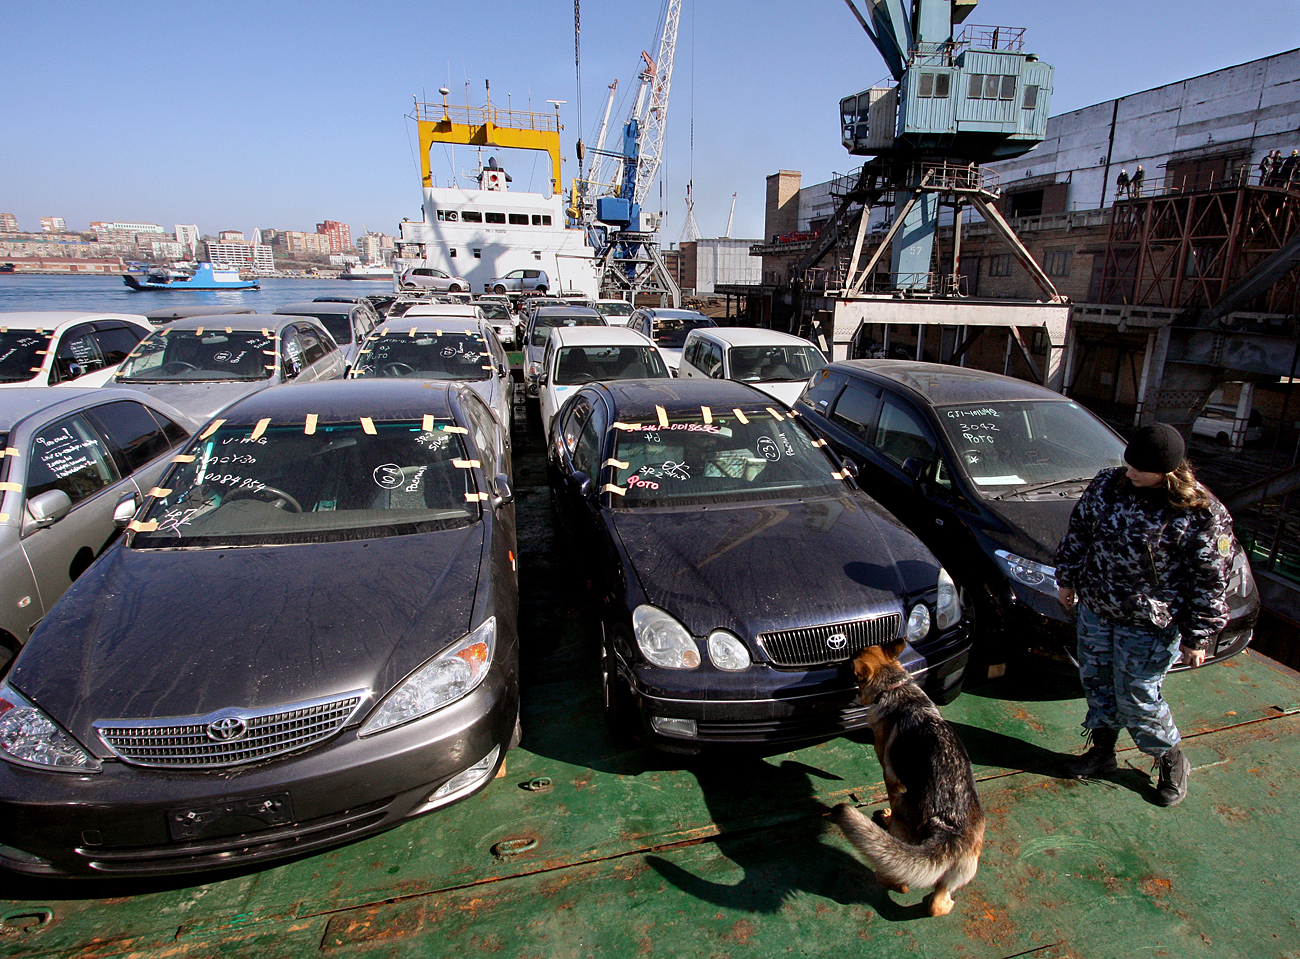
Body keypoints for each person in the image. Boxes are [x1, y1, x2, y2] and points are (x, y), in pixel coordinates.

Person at [1054, 423, 1234, 807]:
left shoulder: (1200, 513)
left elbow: (1210, 578)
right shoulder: (1108, 485)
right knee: (1098, 682)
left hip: (1150, 622)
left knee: (1138, 694)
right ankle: (1102, 753)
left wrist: (1197, 636)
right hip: (1098, 609)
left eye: (1140, 468)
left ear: (1167, 471)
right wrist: (1066, 579)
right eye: (1128, 463)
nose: (1130, 472)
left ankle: (1169, 758)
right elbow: (1079, 533)